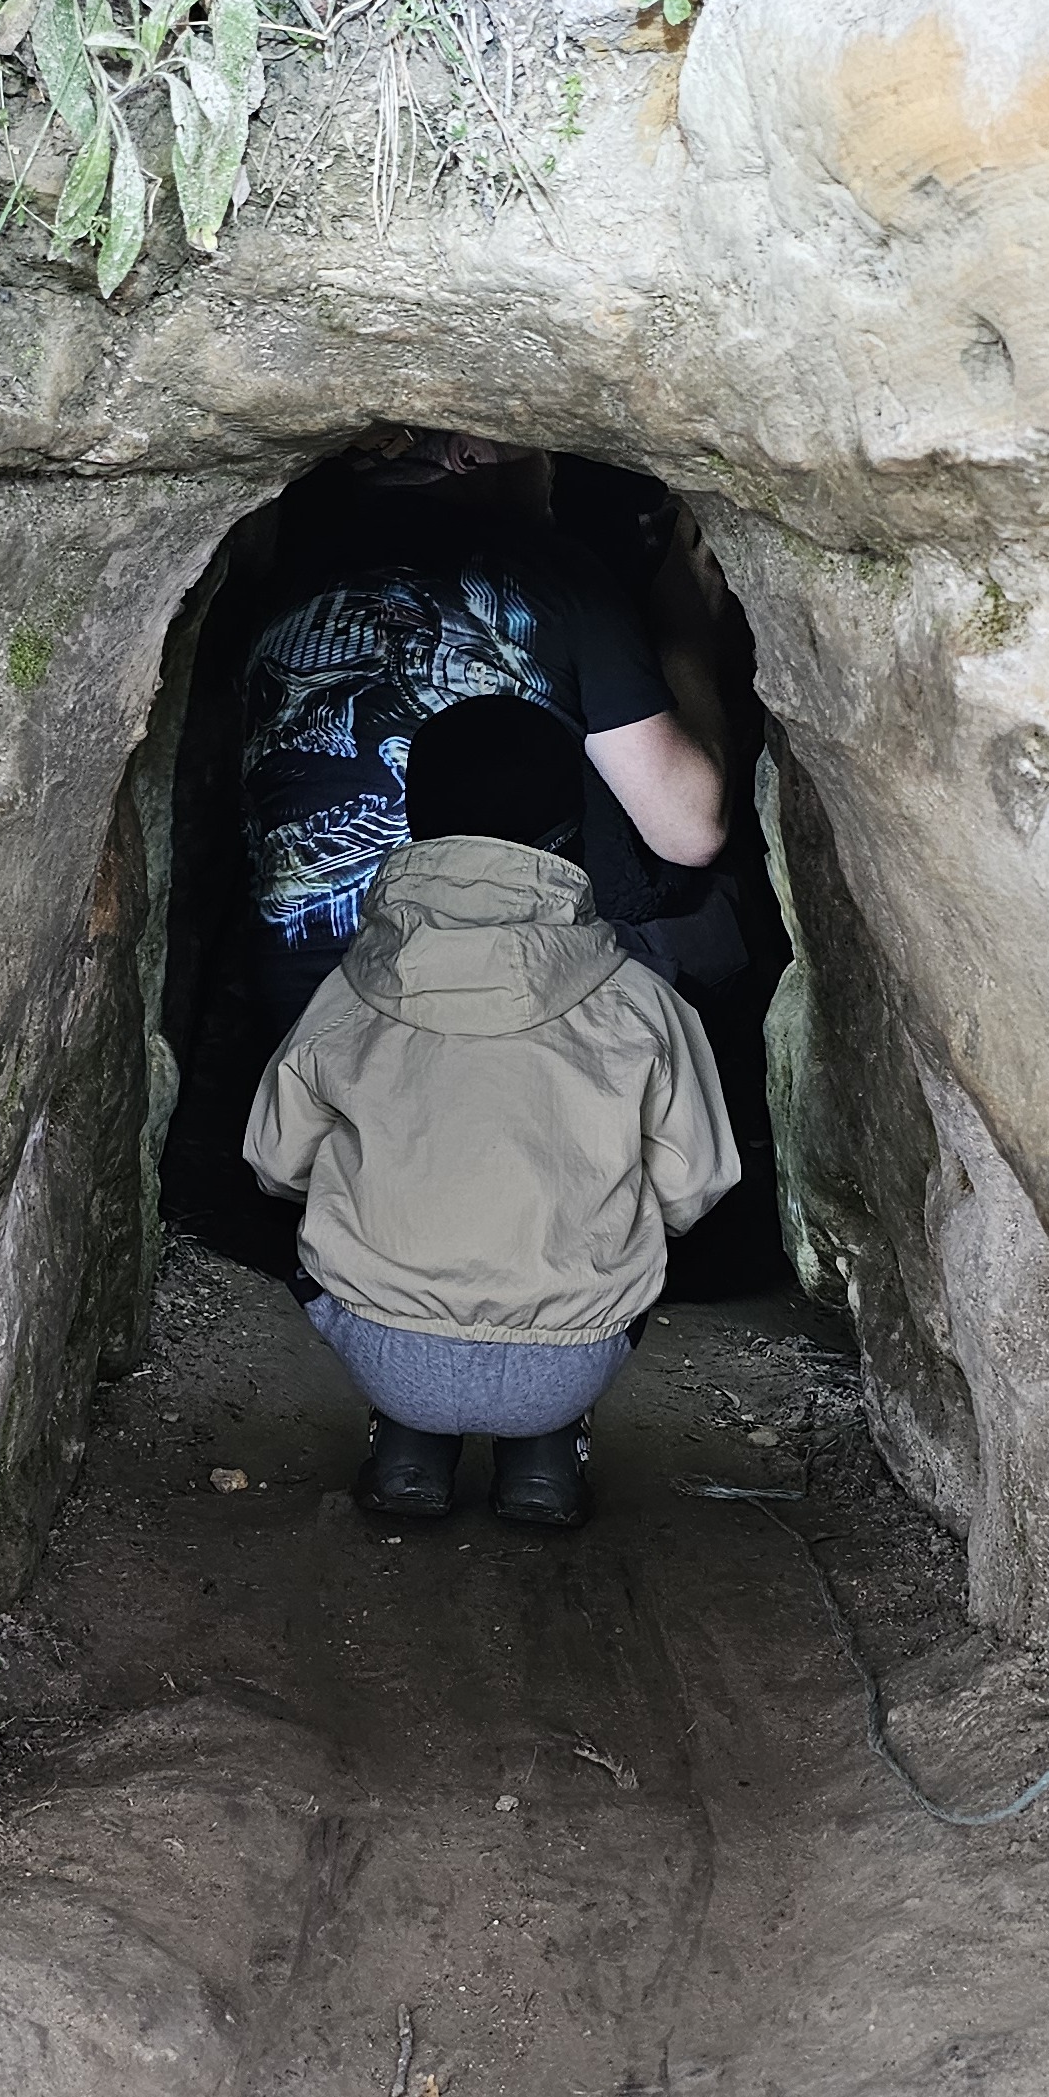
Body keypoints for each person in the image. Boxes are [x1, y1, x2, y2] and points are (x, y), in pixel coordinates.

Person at [242, 695, 740, 1528]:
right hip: (572, 1359)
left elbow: (274, 1162)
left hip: (383, 1346)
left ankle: (408, 1449)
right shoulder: (638, 1001)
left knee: (327, 1223)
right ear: (571, 827)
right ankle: (545, 1459)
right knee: (635, 1229)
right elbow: (695, 1187)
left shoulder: (351, 990)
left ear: (418, 820)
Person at [241, 431, 726, 1036]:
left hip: (312, 1020)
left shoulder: (279, 594)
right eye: (548, 454)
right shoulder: (547, 575)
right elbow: (691, 831)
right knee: (709, 915)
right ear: (473, 453)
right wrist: (687, 617)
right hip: (504, 1020)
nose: (550, 478)